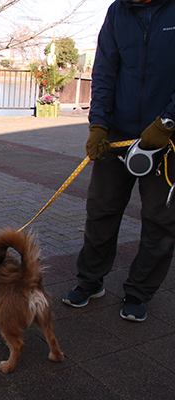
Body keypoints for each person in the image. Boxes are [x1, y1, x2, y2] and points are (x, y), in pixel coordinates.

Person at [62, 0, 175, 322]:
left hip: (167, 142)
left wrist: (168, 121)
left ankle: (139, 292)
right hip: (116, 135)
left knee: (160, 221)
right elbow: (105, 71)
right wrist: (98, 124)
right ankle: (90, 281)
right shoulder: (117, 12)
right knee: (101, 211)